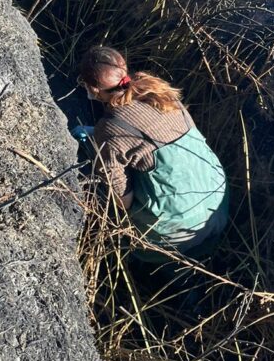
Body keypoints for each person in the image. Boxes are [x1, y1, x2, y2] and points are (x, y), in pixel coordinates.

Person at [75, 46, 228, 263]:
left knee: (142, 253)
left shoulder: (110, 128)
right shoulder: (156, 91)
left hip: (175, 229)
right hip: (217, 201)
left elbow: (123, 200)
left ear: (92, 88)